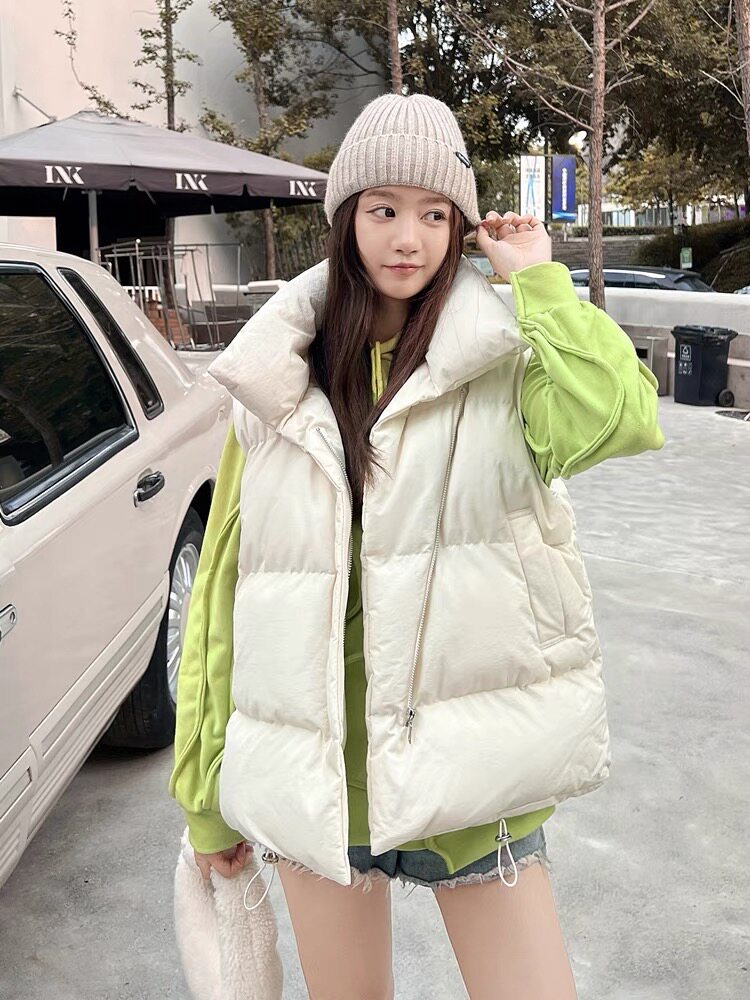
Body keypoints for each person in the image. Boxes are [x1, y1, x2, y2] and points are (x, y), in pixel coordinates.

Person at [169, 92, 664, 999]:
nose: (409, 239)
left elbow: (622, 417)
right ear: (346, 219)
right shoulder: (274, 380)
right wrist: (204, 798)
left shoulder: (504, 359)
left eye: (436, 215)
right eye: (384, 210)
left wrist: (539, 283)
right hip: (321, 782)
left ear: (460, 226)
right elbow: (225, 597)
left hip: (472, 778)